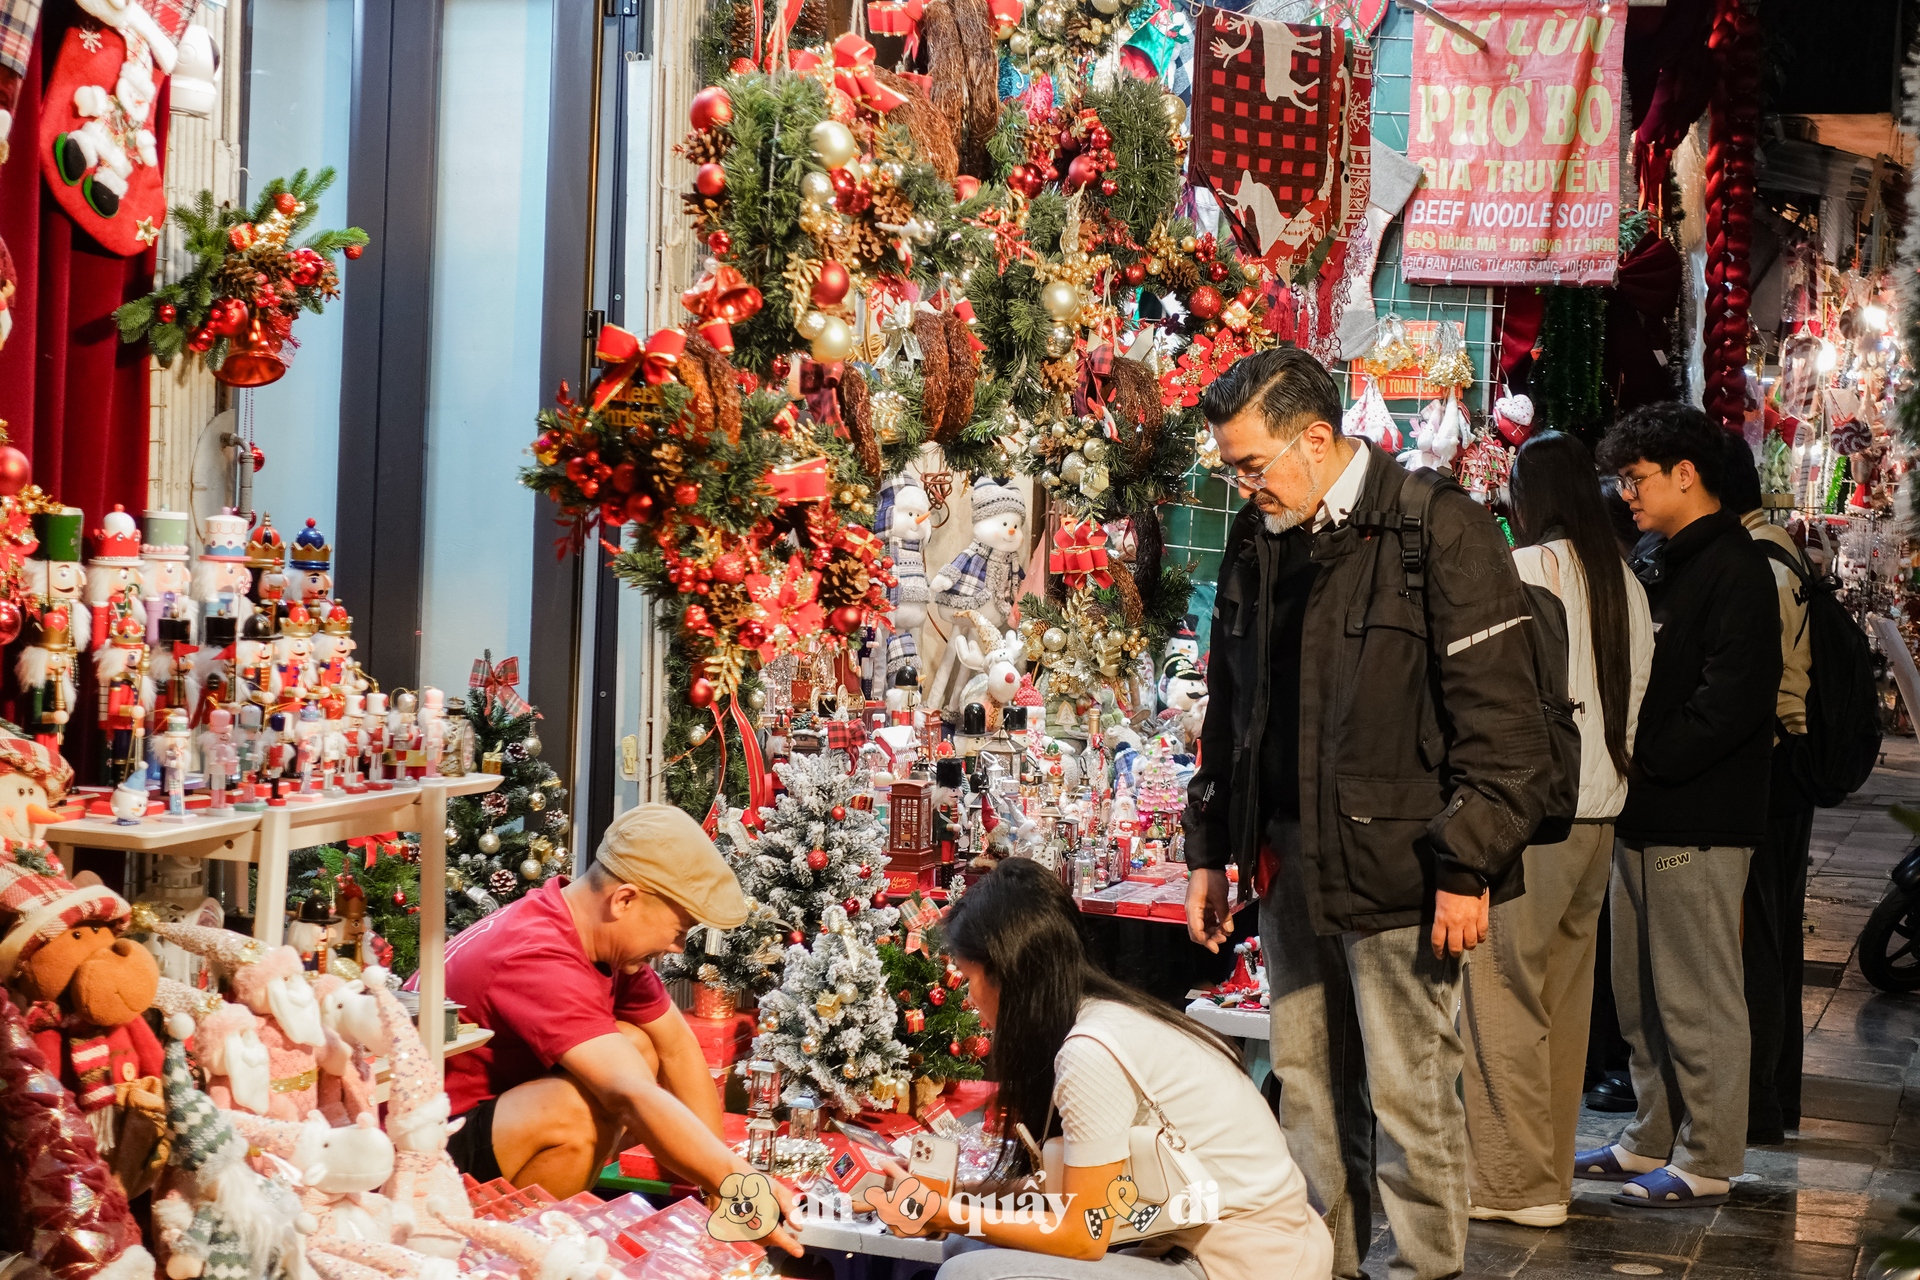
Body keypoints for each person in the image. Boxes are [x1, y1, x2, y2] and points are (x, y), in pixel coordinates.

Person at [1183, 347, 1551, 1279]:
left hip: (1405, 872)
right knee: (1307, 1092)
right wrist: (1209, 850)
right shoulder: (1259, 535)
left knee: (1410, 1097)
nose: (1242, 487)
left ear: (1316, 438)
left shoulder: (1438, 528)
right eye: (1231, 468)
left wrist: (1467, 866)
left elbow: (1505, 729)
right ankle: (1324, 1265)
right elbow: (1231, 708)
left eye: (1251, 465)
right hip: (1288, 861)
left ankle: (1427, 1271)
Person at [924, 858, 1332, 1280]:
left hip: (1243, 1262)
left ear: (1007, 973)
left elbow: (1083, 1235)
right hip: (1200, 1237)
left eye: (969, 977)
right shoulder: (1104, 1015)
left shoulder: (1090, 1049)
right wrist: (957, 1198)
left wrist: (948, 1212)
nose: (968, 997)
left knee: (966, 1273)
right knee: (964, 1243)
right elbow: (1071, 1187)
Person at [436, 803, 801, 1254]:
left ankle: (542, 1229)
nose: (677, 947)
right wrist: (739, 1184)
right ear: (624, 900)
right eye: (678, 929)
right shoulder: (535, 954)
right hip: (425, 1153)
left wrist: (718, 1192)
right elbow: (630, 1095)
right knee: (579, 1109)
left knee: (637, 1045)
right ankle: (513, 1256)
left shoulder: (595, 937)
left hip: (481, 1126)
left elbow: (677, 1048)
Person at [1579, 403, 1781, 1209]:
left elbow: (1731, 702)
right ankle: (1650, 1134)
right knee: (1640, 994)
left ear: (1685, 474)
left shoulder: (1737, 568)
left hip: (1699, 816)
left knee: (1698, 995)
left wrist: (1646, 760)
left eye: (1636, 479)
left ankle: (1709, 1157)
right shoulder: (1662, 558)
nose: (1625, 494)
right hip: (1646, 811)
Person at [1460, 432, 1654, 1228]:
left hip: (1533, 818)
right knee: (1564, 1000)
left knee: (1501, 994)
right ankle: (1548, 1175)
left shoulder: (1528, 569)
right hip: (1599, 815)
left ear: (1529, 495)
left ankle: (1513, 1185)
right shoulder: (1623, 580)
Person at [1719, 442, 1815, 1144]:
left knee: (1760, 934)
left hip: (1775, 761)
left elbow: (1765, 677)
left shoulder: (1762, 562)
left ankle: (1762, 1099)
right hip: (1785, 759)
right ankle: (1774, 1092)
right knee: (1772, 932)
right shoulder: (1778, 550)